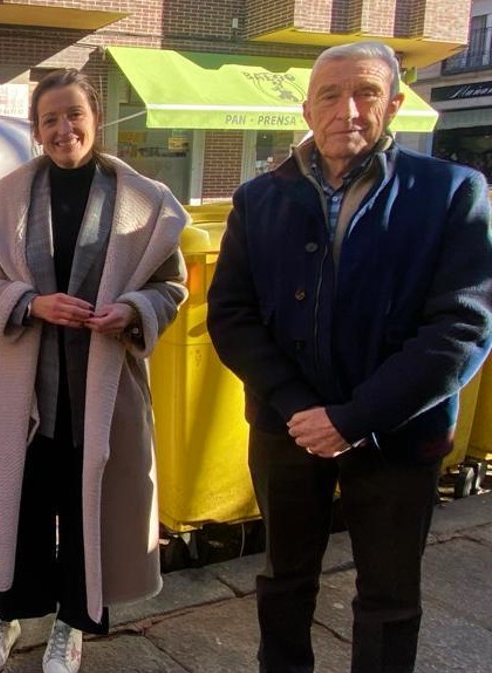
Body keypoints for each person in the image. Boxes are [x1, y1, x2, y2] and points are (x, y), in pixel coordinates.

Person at [207, 41, 492, 673]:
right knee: (283, 580)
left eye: (365, 92)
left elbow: (463, 327)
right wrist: (299, 406)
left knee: (389, 595)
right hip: (289, 431)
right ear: (308, 110)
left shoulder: (452, 192)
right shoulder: (259, 198)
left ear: (394, 104)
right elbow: (231, 315)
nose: (348, 110)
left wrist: (356, 416)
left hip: (399, 434)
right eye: (330, 95)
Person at [0, 68, 189, 673]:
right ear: (36, 130)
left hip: (102, 392)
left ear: (96, 120)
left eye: (74, 116)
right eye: (50, 120)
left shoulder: (142, 201)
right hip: (23, 397)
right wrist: (30, 303)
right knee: (20, 512)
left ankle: (71, 627)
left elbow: (171, 287)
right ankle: (4, 620)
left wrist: (132, 311)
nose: (64, 130)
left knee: (89, 518)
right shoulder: (7, 197)